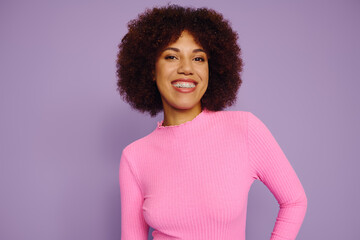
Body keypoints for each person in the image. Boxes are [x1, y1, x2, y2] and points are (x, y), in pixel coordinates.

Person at [116, 4, 307, 240]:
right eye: (171, 56)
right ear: (151, 69)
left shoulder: (244, 129)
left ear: (211, 69)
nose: (186, 68)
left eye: (198, 58)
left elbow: (294, 201)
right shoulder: (134, 156)